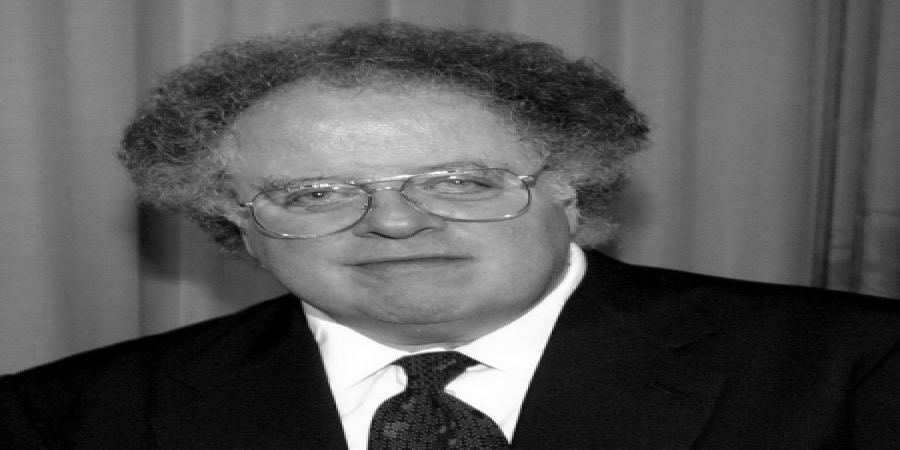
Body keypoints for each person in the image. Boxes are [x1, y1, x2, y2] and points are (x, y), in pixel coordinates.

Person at [1, 21, 898, 450]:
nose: (395, 222)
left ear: (570, 189)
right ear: (234, 222)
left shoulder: (857, 373)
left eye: (461, 182)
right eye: (315, 193)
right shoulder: (61, 422)